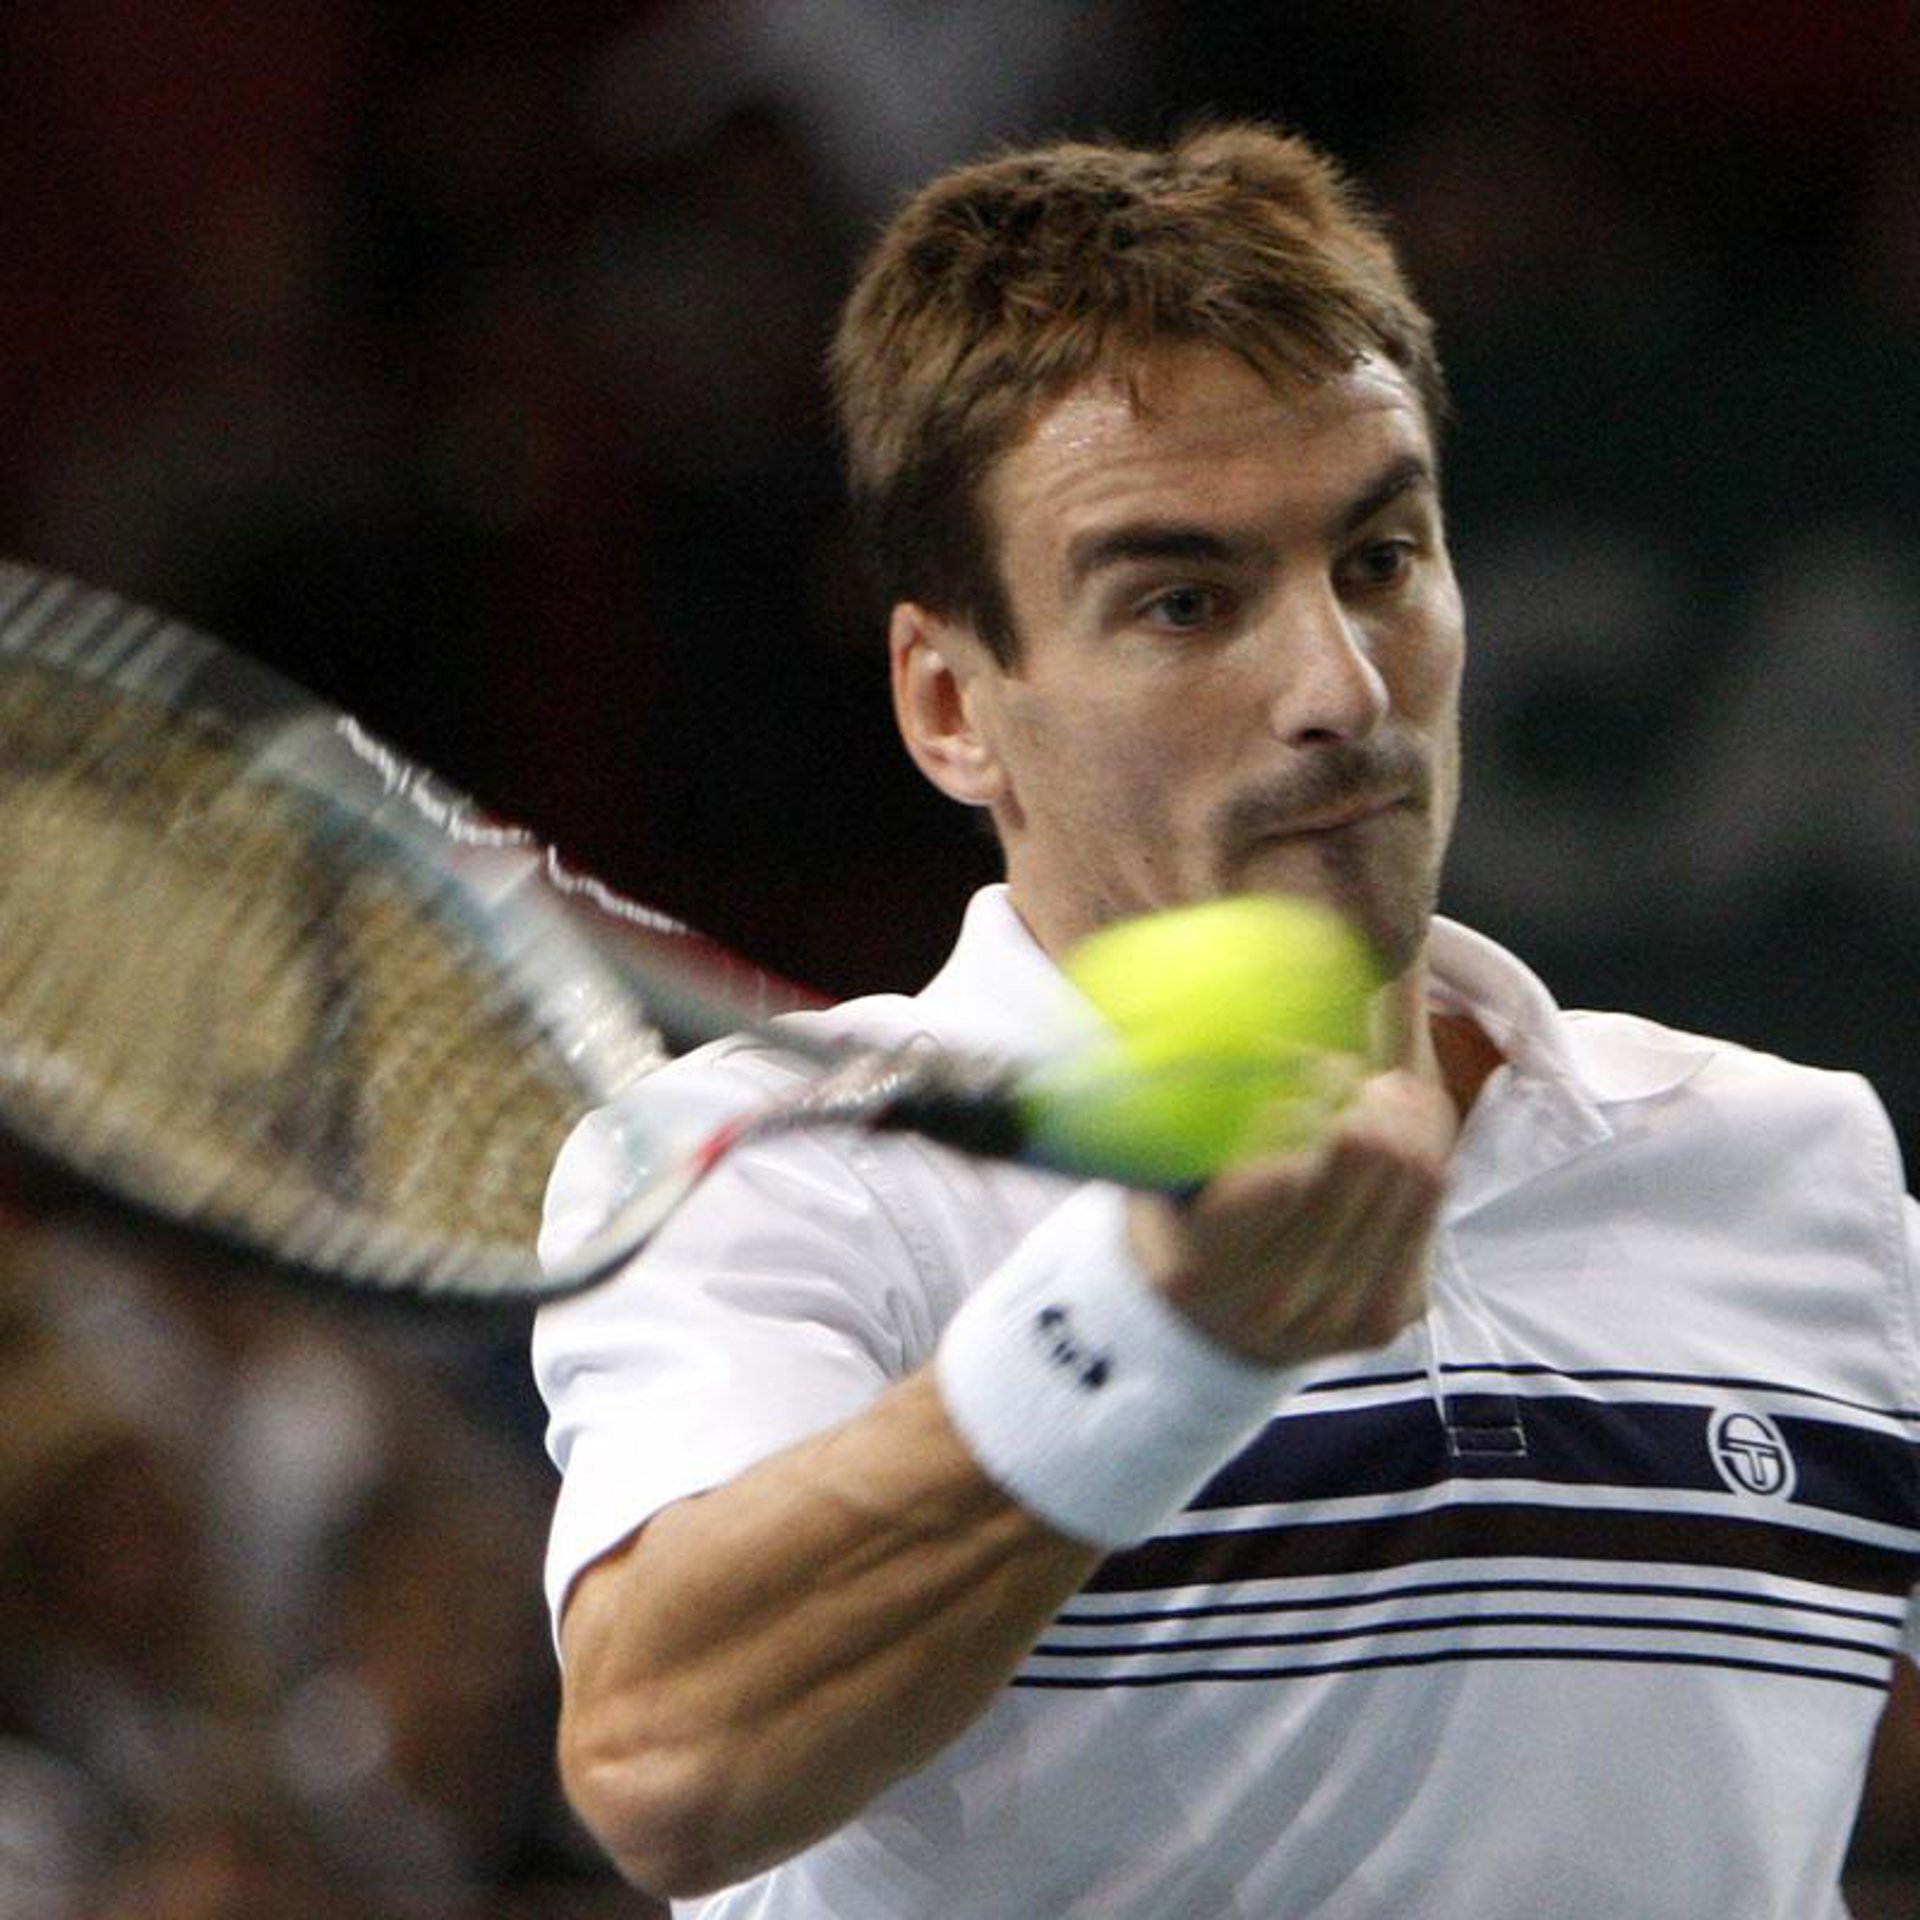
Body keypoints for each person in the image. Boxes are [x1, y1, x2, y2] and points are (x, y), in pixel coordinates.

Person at [532, 122, 1920, 1917]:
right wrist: (1151, 1335)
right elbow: (665, 1765)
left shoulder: (1794, 1172)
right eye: (1184, 602)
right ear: (950, 703)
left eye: (1382, 558)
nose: (1339, 689)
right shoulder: (773, 1176)